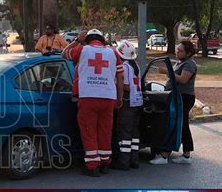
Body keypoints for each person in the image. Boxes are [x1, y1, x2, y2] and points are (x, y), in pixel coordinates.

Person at [62, 29, 124, 177]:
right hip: (109, 97)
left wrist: (77, 40)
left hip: (88, 96)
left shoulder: (81, 49)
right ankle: (104, 162)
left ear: (87, 39)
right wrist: (119, 97)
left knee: (89, 131)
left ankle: (92, 165)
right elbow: (120, 78)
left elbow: (64, 54)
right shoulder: (113, 53)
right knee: (105, 131)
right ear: (102, 39)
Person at [150, 41, 197, 165]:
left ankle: (164, 155)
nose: (177, 52)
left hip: (183, 98)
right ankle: (186, 155)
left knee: (174, 124)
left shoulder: (189, 64)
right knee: (183, 126)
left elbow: (183, 79)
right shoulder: (180, 62)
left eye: (181, 51)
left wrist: (168, 72)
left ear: (188, 53)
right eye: (177, 50)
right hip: (175, 96)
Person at [112, 40, 143, 170]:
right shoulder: (135, 65)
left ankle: (123, 162)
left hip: (127, 101)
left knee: (124, 133)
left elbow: (125, 85)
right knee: (134, 133)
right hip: (138, 102)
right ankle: (134, 160)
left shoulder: (124, 66)